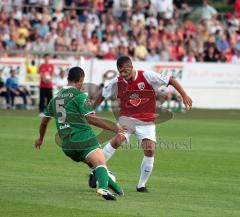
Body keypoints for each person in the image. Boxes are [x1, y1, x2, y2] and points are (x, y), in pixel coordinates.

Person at [91, 56, 192, 192]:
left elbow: (171, 80)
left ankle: (141, 185)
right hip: (127, 119)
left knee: (149, 150)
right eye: (121, 72)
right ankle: (96, 169)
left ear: (132, 67)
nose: (124, 75)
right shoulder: (117, 81)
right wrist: (93, 110)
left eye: (125, 71)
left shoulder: (147, 76)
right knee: (118, 139)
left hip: (146, 121)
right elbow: (103, 94)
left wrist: (184, 95)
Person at [34, 66, 124, 201]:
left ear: (68, 79)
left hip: (67, 145)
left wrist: (40, 138)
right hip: (83, 138)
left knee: (94, 165)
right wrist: (115, 128)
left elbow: (44, 122)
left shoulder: (54, 99)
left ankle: (117, 189)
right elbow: (91, 118)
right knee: (101, 163)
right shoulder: (80, 95)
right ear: (81, 80)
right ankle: (103, 188)